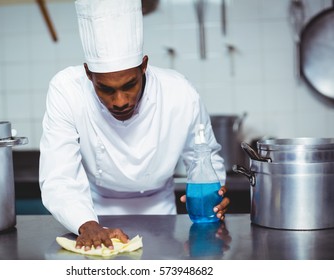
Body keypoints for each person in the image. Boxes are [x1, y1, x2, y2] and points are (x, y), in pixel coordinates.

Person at [39, 0, 230, 251]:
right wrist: (86, 224)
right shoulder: (66, 90)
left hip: (163, 217)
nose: (120, 101)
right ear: (88, 74)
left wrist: (213, 195)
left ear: (144, 66)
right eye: (106, 89)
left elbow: (204, 155)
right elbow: (59, 176)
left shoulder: (179, 92)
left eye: (129, 85)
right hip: (93, 215)